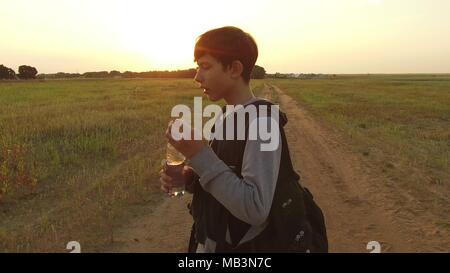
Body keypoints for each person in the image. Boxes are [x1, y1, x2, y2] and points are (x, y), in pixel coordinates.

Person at [159, 26, 304, 253]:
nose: (197, 76)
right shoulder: (226, 116)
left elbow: (255, 208)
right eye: (198, 67)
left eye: (206, 67)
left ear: (235, 68)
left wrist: (198, 154)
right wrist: (188, 177)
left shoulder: (263, 123)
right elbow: (227, 177)